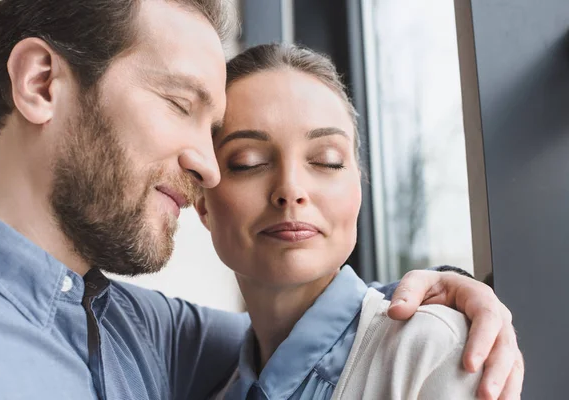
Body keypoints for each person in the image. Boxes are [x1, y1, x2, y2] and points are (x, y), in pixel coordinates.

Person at [0, 1, 521, 399]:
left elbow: (308, 327)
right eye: (178, 104)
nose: (204, 167)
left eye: (327, 162)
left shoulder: (142, 334)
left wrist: (448, 292)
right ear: (42, 84)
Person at [196, 43, 492, 399]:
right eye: (248, 162)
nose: (290, 189)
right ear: (202, 204)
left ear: (359, 186)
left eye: (327, 160)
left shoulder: (432, 349)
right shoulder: (208, 384)